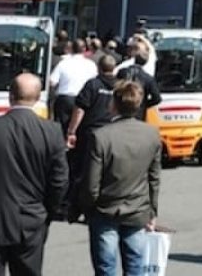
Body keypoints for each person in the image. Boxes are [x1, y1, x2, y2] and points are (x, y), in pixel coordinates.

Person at [0, 73, 69, 275]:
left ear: (11, 95)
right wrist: (48, 212)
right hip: (31, 219)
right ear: (36, 98)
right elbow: (59, 180)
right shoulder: (51, 132)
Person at [80, 80, 161, 276]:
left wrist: (85, 207)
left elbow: (92, 182)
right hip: (138, 209)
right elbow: (154, 177)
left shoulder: (101, 136)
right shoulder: (151, 134)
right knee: (135, 266)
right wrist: (152, 211)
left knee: (106, 268)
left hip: (105, 210)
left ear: (113, 105)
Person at [64, 55, 119, 220]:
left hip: (91, 134)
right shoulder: (120, 86)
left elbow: (80, 109)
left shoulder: (92, 84)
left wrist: (71, 131)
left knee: (82, 171)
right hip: (112, 134)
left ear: (99, 68)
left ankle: (76, 208)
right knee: (106, 172)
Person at [49, 39, 99, 136]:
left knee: (60, 130)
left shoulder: (63, 63)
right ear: (84, 49)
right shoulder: (91, 65)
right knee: (80, 128)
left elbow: (52, 82)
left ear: (71, 49)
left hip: (65, 99)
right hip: (84, 99)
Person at [116, 47, 162, 121]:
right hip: (139, 113)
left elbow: (115, 88)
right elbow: (157, 98)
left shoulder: (122, 72)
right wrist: (143, 104)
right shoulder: (148, 78)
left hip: (122, 108)